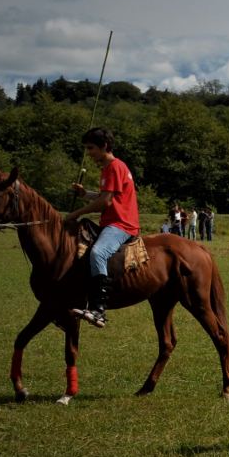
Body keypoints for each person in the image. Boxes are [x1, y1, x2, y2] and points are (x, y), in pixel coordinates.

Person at [65, 127, 140, 335]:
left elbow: (105, 201)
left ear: (104, 146)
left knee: (98, 253)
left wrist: (75, 213)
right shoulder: (107, 169)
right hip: (110, 222)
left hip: (121, 224)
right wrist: (85, 194)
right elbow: (105, 195)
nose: (88, 153)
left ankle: (98, 310)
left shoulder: (116, 166)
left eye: (91, 148)